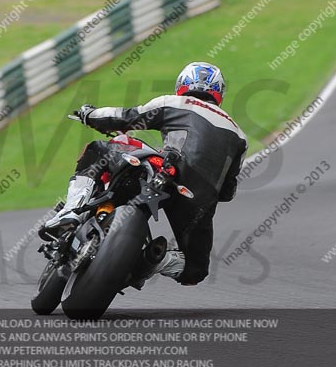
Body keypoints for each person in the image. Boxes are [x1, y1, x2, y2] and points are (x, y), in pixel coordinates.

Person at [43, 62, 247, 286]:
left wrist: (90, 115)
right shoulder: (239, 134)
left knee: (97, 150)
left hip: (166, 170)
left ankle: (71, 211)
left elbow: (127, 117)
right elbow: (227, 191)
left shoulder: (174, 102)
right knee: (194, 271)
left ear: (182, 84)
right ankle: (154, 259)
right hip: (198, 200)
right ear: (219, 93)